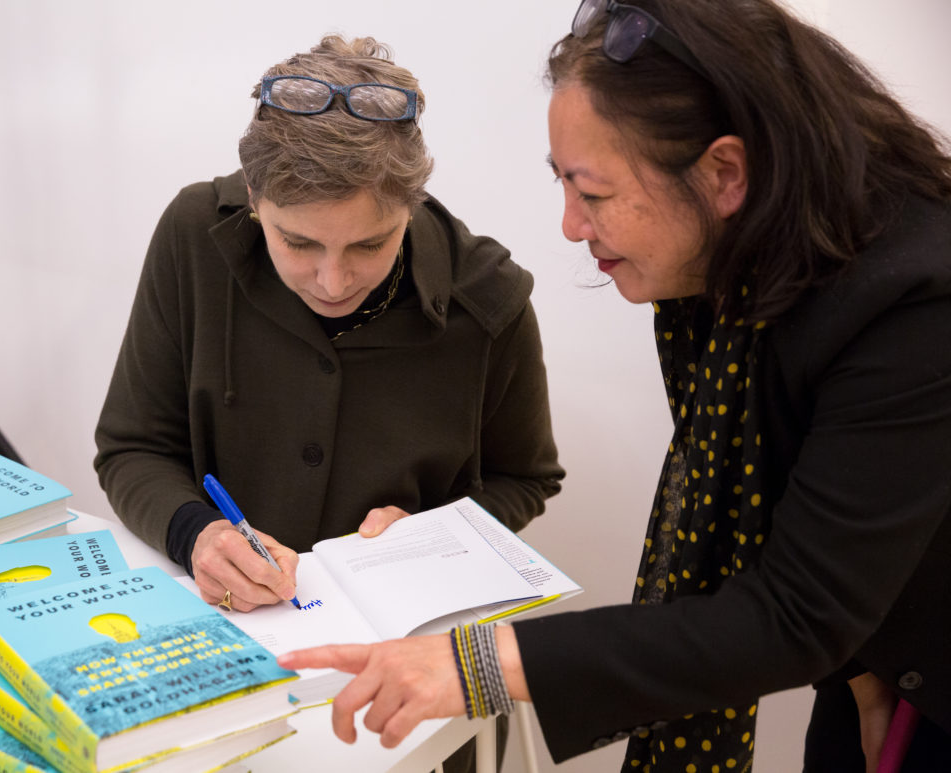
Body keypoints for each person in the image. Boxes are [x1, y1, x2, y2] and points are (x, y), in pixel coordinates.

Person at [279, 2, 951, 771]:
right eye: (563, 184)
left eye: (592, 193)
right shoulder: (729, 277)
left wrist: (477, 662)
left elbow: (795, 612)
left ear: (724, 175)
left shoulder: (912, 304)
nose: (570, 225)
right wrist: (862, 662)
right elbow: (807, 520)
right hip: (871, 656)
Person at [93, 36, 562, 768]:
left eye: (370, 245)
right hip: (220, 671)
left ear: (411, 206)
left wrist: (434, 537)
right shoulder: (194, 235)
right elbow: (133, 445)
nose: (333, 280)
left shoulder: (489, 300)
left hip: (405, 699)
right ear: (255, 202)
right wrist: (197, 535)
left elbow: (525, 478)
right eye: (299, 242)